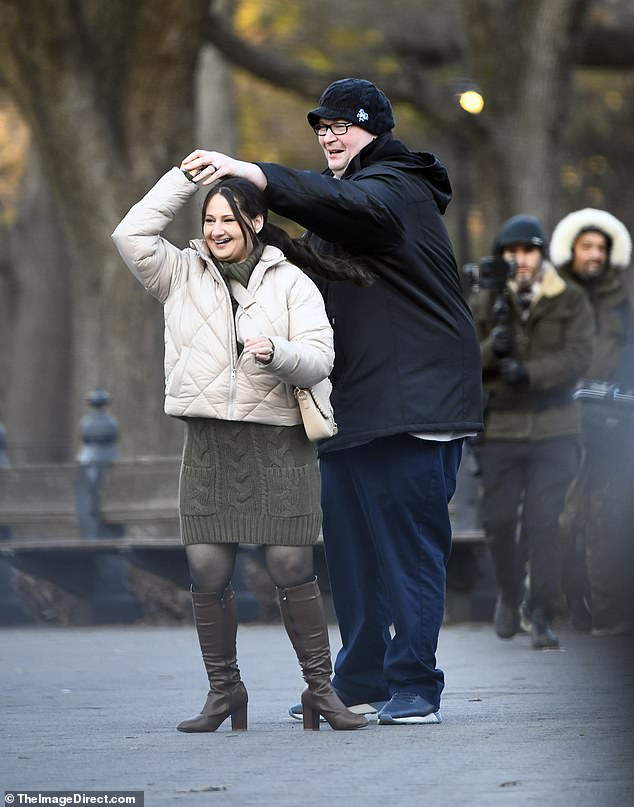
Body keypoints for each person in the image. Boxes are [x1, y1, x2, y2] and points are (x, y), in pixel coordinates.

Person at [180, 77, 483, 725]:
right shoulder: (349, 206)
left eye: (343, 125)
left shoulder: (397, 189)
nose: (329, 135)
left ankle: (416, 683)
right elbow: (318, 261)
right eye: (321, 127)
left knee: (407, 550)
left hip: (418, 404)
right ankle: (362, 674)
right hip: (354, 407)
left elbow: (354, 212)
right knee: (351, 554)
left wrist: (257, 173)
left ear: (376, 129)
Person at [112, 167, 368, 732]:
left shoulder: (292, 283)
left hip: (279, 439)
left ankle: (321, 691)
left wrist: (276, 351)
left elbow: (320, 360)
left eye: (229, 218)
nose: (217, 229)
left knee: (289, 562)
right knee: (205, 568)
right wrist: (182, 179)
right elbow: (130, 235)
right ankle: (225, 690)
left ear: (256, 222)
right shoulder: (179, 272)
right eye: (209, 219)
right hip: (209, 442)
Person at [469, 215, 594, 648]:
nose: (519, 260)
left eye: (527, 251)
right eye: (511, 251)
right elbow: (460, 353)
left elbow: (580, 355)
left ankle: (542, 611)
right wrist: (491, 350)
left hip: (554, 426)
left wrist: (531, 373)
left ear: (541, 254)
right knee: (500, 521)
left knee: (545, 523)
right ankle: (509, 591)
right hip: (500, 427)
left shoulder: (569, 298)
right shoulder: (485, 299)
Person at [550, 208, 633, 636]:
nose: (595, 254)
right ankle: (557, 604)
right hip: (562, 419)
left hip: (614, 422)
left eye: (601, 247)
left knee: (608, 513)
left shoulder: (624, 301)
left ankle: (607, 610)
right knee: (562, 518)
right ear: (573, 251)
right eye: (587, 246)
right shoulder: (554, 294)